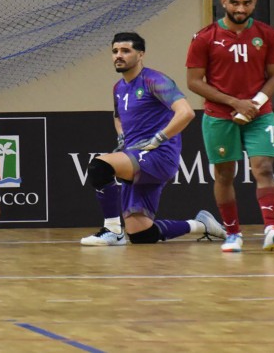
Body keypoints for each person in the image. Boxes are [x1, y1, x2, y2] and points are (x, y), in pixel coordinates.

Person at [80, 32, 226, 247]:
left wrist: (158, 139)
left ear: (141, 55)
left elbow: (186, 113)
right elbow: (118, 117)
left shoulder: (154, 80)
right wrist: (122, 137)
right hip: (135, 155)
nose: (118, 55)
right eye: (115, 51)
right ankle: (201, 225)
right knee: (141, 235)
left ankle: (113, 230)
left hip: (158, 155)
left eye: (125, 51)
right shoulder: (118, 88)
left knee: (99, 166)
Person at [186, 0, 274, 253]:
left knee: (264, 169)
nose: (240, 8)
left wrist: (254, 105)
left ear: (254, 4)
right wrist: (235, 103)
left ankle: (271, 228)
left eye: (246, 3)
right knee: (224, 175)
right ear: (223, 3)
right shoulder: (204, 37)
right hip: (220, 116)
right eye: (234, 2)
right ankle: (233, 233)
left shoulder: (267, 34)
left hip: (259, 114)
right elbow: (194, 82)